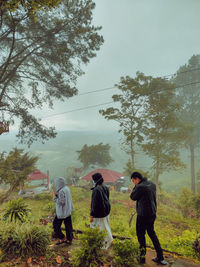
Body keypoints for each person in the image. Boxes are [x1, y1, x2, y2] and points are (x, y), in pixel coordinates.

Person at [130, 172, 168, 265]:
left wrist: (136, 186)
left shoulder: (140, 187)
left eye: (133, 181)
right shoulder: (152, 184)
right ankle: (160, 257)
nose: (133, 183)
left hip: (143, 215)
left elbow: (132, 197)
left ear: (136, 179)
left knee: (141, 235)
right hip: (152, 213)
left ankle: (142, 258)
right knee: (152, 234)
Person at [90, 172, 113, 249]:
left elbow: (94, 204)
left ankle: (103, 244)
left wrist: (91, 215)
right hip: (106, 212)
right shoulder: (105, 187)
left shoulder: (96, 190)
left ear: (95, 180)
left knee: (99, 228)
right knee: (106, 227)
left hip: (99, 213)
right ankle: (107, 241)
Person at [53, 177, 74, 245]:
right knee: (68, 226)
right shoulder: (66, 188)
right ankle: (69, 239)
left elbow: (61, 202)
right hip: (67, 211)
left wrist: (55, 197)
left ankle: (62, 238)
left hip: (62, 212)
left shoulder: (61, 191)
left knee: (55, 225)